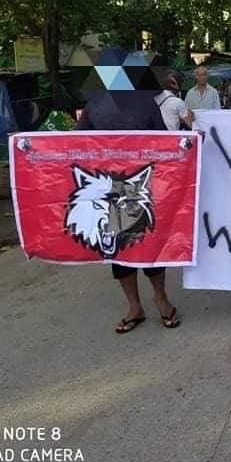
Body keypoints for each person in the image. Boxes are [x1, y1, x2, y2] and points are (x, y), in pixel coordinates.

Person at [76, 85, 182, 334]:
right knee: (118, 249)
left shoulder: (145, 101)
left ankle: (160, 298)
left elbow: (164, 139)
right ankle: (135, 307)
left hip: (140, 185)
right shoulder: (94, 105)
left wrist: (188, 144)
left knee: (148, 243)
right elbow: (77, 141)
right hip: (106, 187)